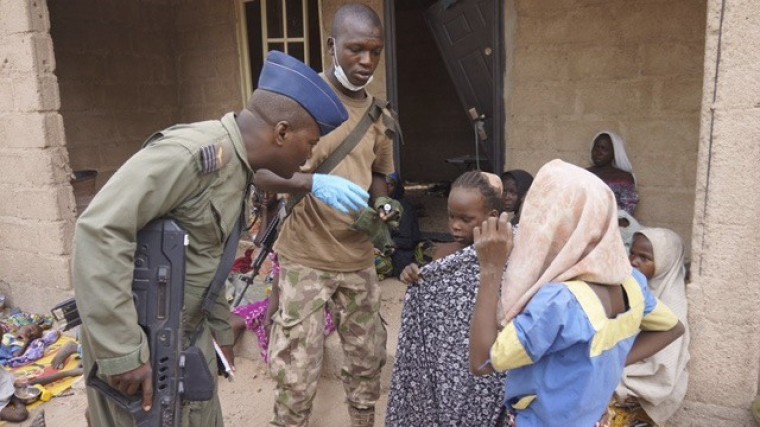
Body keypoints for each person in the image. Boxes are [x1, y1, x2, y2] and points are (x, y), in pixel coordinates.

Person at [72, 51, 362, 426]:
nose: (308, 158)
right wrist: (122, 352)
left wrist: (221, 328)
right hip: (138, 345)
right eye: (308, 144)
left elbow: (209, 258)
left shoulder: (238, 169)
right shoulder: (193, 155)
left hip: (182, 336)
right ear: (282, 132)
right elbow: (100, 230)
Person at [253, 5, 397, 426]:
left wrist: (384, 205)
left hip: (357, 260)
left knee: (367, 363)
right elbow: (259, 172)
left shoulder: (378, 115)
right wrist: (311, 183)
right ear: (332, 46)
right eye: (356, 49)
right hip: (305, 260)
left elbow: (380, 175)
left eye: (375, 51)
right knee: (296, 373)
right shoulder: (298, 104)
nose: (366, 61)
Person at [470, 159, 685, 427]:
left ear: (556, 226)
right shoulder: (633, 284)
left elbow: (482, 363)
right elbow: (673, 328)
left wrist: (490, 269)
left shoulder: (558, 304)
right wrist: (609, 364)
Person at [386, 171, 506, 426]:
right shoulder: (443, 254)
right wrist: (413, 275)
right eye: (452, 216)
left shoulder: (505, 256)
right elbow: (431, 292)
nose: (455, 225)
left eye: (466, 219)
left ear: (491, 217)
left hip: (488, 362)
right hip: (448, 365)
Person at [611, 228, 691, 426]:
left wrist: (611, 367)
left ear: (665, 262)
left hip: (639, 381)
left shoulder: (672, 302)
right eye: (633, 253)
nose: (634, 261)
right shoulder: (631, 287)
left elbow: (662, 368)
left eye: (644, 258)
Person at [587, 131, 639, 215]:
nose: (598, 153)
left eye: (604, 149)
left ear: (614, 153)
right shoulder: (583, 174)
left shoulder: (624, 178)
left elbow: (627, 211)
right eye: (596, 148)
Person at [384, 172, 421, 277]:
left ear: (396, 187)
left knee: (402, 263)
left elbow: (408, 240)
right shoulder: (380, 204)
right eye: (383, 185)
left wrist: (387, 244)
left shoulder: (403, 207)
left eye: (390, 185)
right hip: (385, 244)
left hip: (401, 247)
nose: (386, 188)